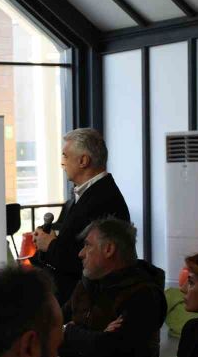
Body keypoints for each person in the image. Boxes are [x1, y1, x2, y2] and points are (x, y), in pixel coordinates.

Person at [59, 217, 166, 357]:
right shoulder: (85, 286)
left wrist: (69, 331)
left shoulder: (143, 294)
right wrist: (95, 335)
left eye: (88, 245)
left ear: (109, 249)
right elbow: (50, 330)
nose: (81, 253)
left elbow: (110, 350)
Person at [33, 128, 129, 305]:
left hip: (93, 302)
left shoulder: (103, 198)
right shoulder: (86, 195)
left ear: (83, 160)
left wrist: (50, 245)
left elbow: (90, 259)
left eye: (65, 156)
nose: (62, 164)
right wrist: (48, 241)